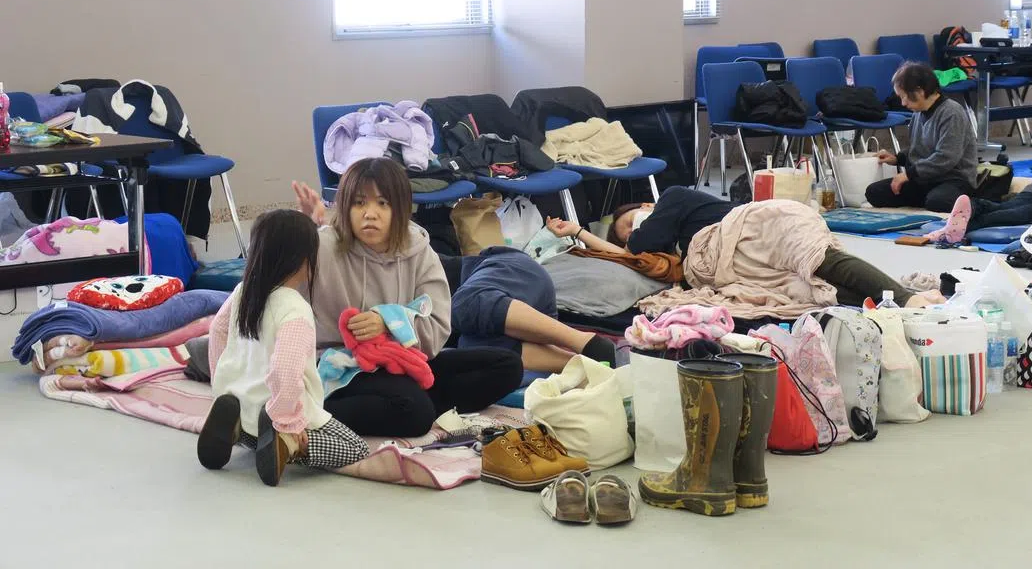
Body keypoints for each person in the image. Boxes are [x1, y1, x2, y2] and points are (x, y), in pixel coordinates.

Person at [282, 158, 523, 438]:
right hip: (339, 366)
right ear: (345, 207)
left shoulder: (418, 249)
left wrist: (387, 323)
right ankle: (313, 411)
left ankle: (403, 405)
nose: (370, 214)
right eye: (359, 203)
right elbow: (272, 289)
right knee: (415, 413)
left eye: (383, 203)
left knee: (506, 366)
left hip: (402, 359)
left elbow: (437, 324)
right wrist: (299, 234)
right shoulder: (322, 246)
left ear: (400, 208)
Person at [546, 186, 943, 308]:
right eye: (624, 232)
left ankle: (905, 298)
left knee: (819, 260)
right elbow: (633, 257)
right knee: (807, 289)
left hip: (756, 225)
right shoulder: (679, 249)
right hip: (736, 260)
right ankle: (889, 302)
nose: (631, 232)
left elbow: (640, 244)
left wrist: (636, 234)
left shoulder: (674, 197)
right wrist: (578, 232)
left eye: (631, 221)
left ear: (647, 208)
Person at [198, 209, 371, 486]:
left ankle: (238, 430)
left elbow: (217, 330)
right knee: (355, 448)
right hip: (277, 408)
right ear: (303, 260)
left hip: (240, 399)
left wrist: (222, 383)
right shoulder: (294, 308)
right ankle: (288, 445)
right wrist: (287, 421)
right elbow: (286, 368)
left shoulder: (243, 291)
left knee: (256, 427)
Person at [439, 247, 617, 372]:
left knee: (466, 303)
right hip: (504, 327)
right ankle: (583, 366)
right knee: (472, 350)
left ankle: (587, 343)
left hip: (511, 271)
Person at [868, 63, 977, 212]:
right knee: (874, 192)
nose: (903, 103)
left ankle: (970, 202)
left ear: (919, 91)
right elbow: (919, 149)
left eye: (904, 96)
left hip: (954, 179)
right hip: (925, 178)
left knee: (939, 202)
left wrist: (909, 174)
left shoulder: (952, 112)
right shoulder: (918, 114)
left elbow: (946, 157)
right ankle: (928, 199)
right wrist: (897, 158)